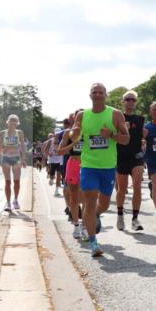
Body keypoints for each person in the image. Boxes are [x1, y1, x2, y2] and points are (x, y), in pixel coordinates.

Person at [68, 83, 130, 257]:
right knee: (89, 200)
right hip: (88, 165)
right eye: (94, 92)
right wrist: (76, 131)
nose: (97, 94)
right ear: (90, 95)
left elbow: (126, 139)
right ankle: (94, 243)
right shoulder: (82, 115)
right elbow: (73, 136)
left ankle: (94, 215)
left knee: (102, 204)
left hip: (108, 167)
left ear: (105, 95)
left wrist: (110, 135)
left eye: (100, 92)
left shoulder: (115, 114)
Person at [115, 91, 147, 232]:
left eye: (133, 100)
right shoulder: (117, 118)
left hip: (136, 156)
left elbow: (143, 136)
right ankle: (120, 214)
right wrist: (121, 130)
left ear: (136, 102)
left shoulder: (140, 119)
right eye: (127, 99)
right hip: (121, 156)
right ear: (123, 102)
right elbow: (111, 136)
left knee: (137, 186)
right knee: (122, 189)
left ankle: (135, 218)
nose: (130, 102)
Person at [57, 114, 85, 239]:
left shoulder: (90, 131)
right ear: (74, 119)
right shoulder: (68, 133)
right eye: (78, 117)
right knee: (74, 197)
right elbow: (60, 151)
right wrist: (73, 144)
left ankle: (85, 225)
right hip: (73, 164)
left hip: (87, 165)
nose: (80, 120)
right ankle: (76, 225)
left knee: (86, 197)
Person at [0, 115, 27, 212]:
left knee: (17, 181)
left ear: (17, 123)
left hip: (16, 158)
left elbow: (22, 146)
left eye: (15, 121)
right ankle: (8, 202)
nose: (13, 123)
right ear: (7, 122)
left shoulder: (20, 133)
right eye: (11, 121)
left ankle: (16, 200)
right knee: (8, 182)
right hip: (5, 158)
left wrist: (23, 158)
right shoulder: (2, 133)